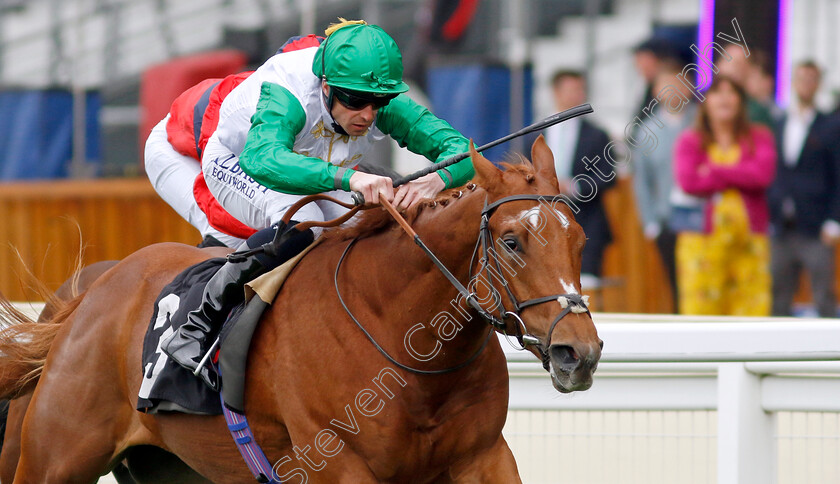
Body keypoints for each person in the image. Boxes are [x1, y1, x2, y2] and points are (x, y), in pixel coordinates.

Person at [161, 19, 474, 384]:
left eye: (380, 102)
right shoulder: (287, 91)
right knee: (306, 221)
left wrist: (436, 179)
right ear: (326, 86)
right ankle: (195, 323)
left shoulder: (374, 95)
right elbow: (263, 158)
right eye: (356, 101)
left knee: (367, 223)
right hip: (239, 160)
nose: (369, 115)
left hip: (311, 165)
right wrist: (349, 177)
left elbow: (463, 151)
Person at [144, 35, 325, 249]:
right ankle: (204, 281)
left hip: (208, 135)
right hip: (176, 149)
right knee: (231, 235)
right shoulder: (249, 108)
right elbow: (221, 195)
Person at [674, 75, 776, 316]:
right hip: (701, 242)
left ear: (742, 102)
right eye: (718, 92)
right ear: (705, 102)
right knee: (701, 311)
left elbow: (762, 176)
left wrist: (714, 170)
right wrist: (741, 174)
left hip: (749, 242)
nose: (725, 99)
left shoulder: (759, 137)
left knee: (752, 308)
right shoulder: (690, 140)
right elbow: (689, 182)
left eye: (732, 93)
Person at [768, 61, 840, 317]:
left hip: (815, 224)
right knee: (778, 296)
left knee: (823, 296)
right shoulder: (779, 121)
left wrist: (834, 221)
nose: (806, 83)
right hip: (781, 224)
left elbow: (837, 174)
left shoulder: (830, 125)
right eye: (801, 78)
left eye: (811, 78)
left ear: (818, 84)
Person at [631, 61, 699, 313]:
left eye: (679, 83)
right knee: (675, 281)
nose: (673, 90)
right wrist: (649, 221)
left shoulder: (703, 122)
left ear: (690, 87)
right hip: (667, 219)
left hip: (702, 216)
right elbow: (642, 181)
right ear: (656, 90)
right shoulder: (646, 131)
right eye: (666, 85)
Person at [541, 70, 614, 281]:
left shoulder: (597, 135)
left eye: (581, 90)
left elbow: (609, 176)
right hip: (546, 225)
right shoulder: (537, 134)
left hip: (587, 223)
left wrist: (575, 187)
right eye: (572, 89)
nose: (577, 95)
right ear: (556, 92)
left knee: (586, 287)